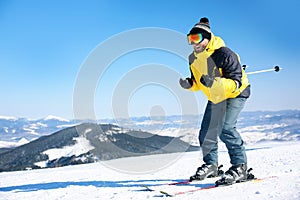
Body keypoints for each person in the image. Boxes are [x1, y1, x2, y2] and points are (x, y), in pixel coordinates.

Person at [179, 17, 251, 185]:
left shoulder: (225, 54)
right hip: (216, 96)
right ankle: (211, 165)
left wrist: (214, 83)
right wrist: (190, 84)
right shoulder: (193, 59)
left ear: (206, 38)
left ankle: (240, 167)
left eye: (196, 38)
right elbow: (198, 83)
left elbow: (236, 83)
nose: (193, 43)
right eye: (190, 39)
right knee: (206, 132)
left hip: (236, 94)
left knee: (226, 128)